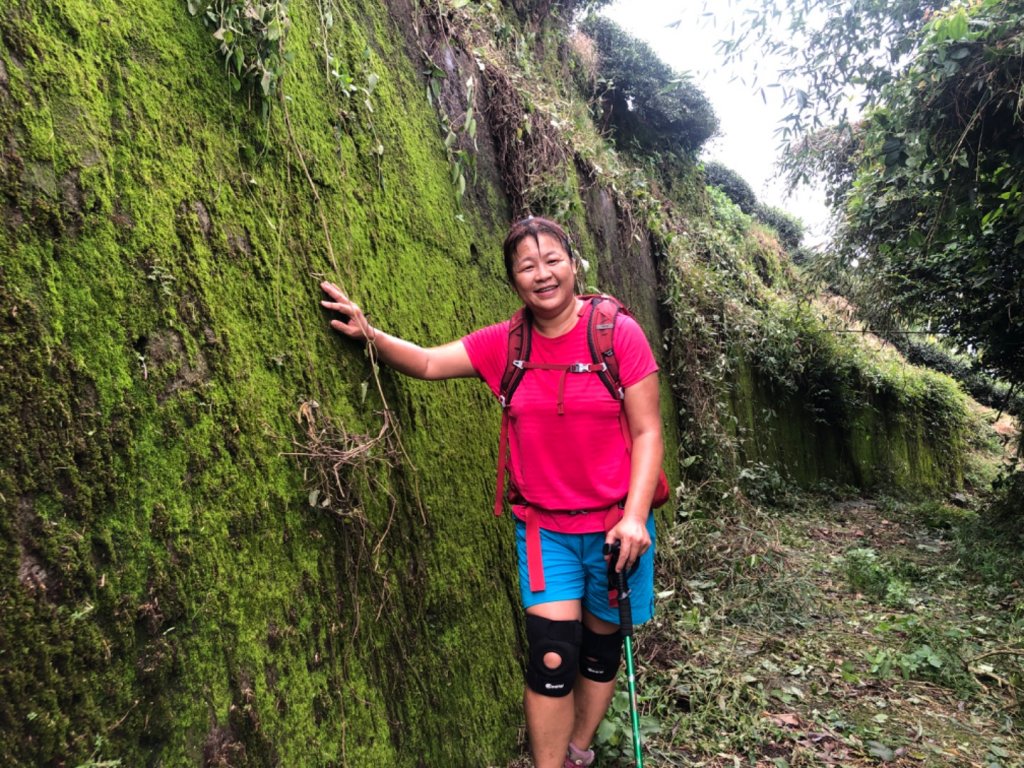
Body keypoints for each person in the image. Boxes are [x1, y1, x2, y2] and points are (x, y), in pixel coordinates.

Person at [320, 216, 663, 768]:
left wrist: (636, 517)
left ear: (573, 264)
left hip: (615, 528)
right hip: (545, 530)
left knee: (599, 655)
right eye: (527, 266)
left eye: (552, 260)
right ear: (513, 281)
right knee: (552, 658)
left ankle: (579, 751)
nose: (543, 274)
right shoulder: (506, 345)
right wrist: (370, 333)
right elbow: (431, 361)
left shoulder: (616, 332)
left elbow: (648, 431)